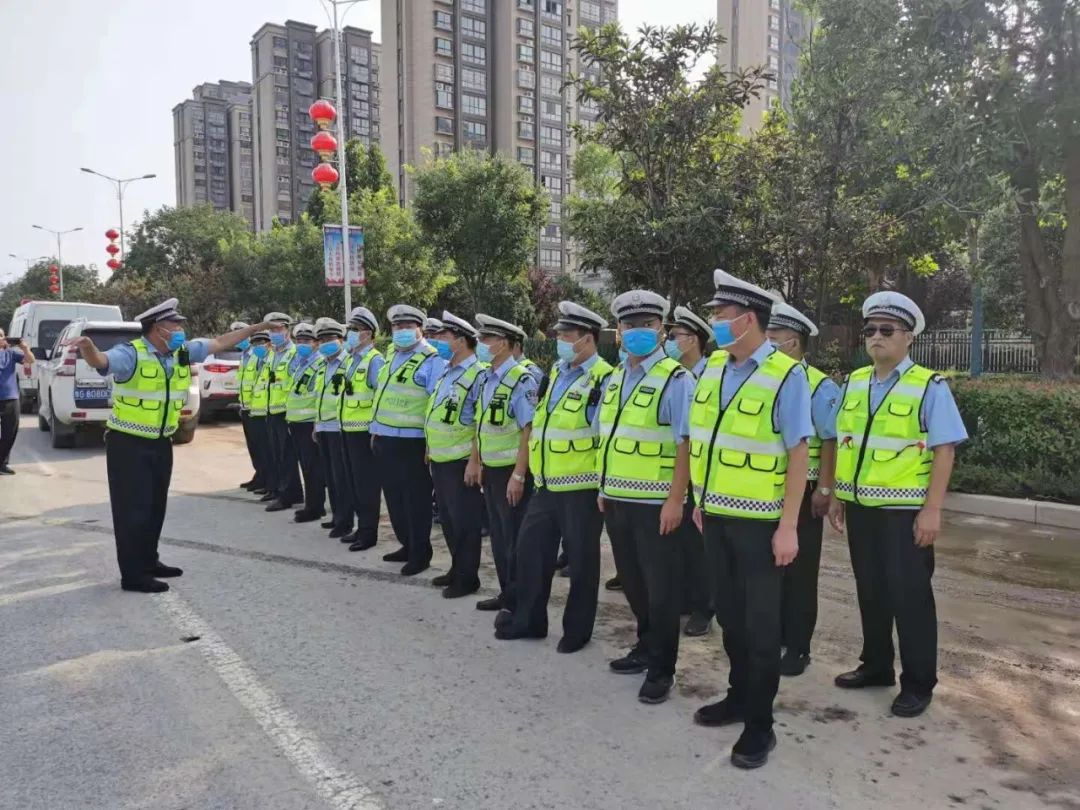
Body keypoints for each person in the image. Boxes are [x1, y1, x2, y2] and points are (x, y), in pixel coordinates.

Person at [688, 269, 812, 769]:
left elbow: (798, 452)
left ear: (749, 319)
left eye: (721, 314)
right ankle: (738, 697)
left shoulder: (787, 375)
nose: (714, 321)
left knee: (762, 628)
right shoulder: (715, 368)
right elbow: (705, 441)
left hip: (762, 525)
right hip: (714, 516)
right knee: (731, 619)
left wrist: (788, 526)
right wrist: (700, 498)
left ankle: (761, 726)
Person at [828, 291, 967, 719]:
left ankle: (918, 683)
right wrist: (835, 493)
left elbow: (945, 450)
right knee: (870, 591)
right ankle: (876, 666)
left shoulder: (928, 385)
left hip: (905, 512)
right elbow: (842, 443)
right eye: (869, 330)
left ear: (909, 338)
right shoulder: (853, 383)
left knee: (909, 598)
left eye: (887, 330)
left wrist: (932, 509)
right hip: (862, 508)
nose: (876, 337)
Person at [67, 299, 268, 592]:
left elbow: (221, 341)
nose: (180, 331)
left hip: (161, 442)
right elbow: (101, 362)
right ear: (158, 329)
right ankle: (133, 575)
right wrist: (87, 348)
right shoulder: (130, 353)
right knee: (132, 511)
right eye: (175, 326)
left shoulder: (181, 353)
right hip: (129, 444)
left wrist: (259, 327)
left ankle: (149, 561)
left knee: (154, 507)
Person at [495, 302, 612, 652]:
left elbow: (606, 437)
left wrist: (604, 487)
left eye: (566, 335)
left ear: (587, 339)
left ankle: (577, 631)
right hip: (546, 485)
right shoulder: (556, 372)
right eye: (559, 334)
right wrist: (523, 473)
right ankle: (529, 621)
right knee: (531, 552)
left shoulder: (604, 378)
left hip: (582, 486)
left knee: (582, 562)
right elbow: (540, 427)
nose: (559, 339)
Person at [597, 290, 693, 705]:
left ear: (661, 330)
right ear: (619, 332)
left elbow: (686, 444)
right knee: (632, 582)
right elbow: (609, 437)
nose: (638, 332)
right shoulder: (616, 378)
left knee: (662, 588)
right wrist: (603, 486)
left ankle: (662, 667)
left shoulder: (676, 379)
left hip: (657, 504)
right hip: (616, 497)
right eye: (630, 325)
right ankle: (644, 644)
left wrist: (676, 499)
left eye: (647, 325)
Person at [765, 302, 841, 677]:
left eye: (773, 339)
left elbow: (830, 440)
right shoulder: (765, 378)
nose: (767, 344)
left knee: (799, 573)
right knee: (770, 569)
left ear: (793, 343)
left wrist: (824, 488)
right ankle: (776, 635)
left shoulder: (819, 385)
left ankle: (798, 647)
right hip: (767, 490)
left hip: (806, 489)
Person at [370, 305, 447, 575]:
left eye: (407, 326)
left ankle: (420, 552)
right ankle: (405, 543)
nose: (401, 331)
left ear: (420, 329)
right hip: (385, 438)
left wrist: (430, 443)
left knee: (416, 500)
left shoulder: (431, 359)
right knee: (394, 498)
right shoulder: (391, 355)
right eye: (397, 327)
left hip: (413, 443)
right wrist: (376, 430)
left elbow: (435, 404)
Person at [468, 314, 538, 614]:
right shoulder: (485, 377)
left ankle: (519, 598)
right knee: (498, 537)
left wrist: (520, 475)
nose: (482, 344)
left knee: (514, 538)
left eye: (487, 340)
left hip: (512, 470)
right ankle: (506, 592)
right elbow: (480, 425)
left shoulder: (521, 379)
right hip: (492, 470)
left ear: (506, 344)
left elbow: (528, 429)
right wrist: (476, 461)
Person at [425, 311, 486, 597]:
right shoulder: (447, 370)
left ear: (461, 341)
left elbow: (479, 422)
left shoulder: (478, 374)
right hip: (440, 458)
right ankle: (456, 567)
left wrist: (475, 460)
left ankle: (468, 577)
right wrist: (429, 446)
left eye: (444, 337)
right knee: (448, 520)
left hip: (462, 461)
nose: (437, 341)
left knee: (465, 523)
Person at [664, 306, 716, 638]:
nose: (669, 342)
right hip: (679, 469)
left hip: (705, 472)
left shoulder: (711, 373)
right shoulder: (674, 374)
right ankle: (684, 597)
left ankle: (704, 608)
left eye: (674, 337)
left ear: (693, 340)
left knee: (700, 545)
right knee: (680, 540)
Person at [340, 307, 386, 552]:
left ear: (367, 334)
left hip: (365, 433)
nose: (350, 334)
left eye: (354, 330)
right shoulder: (351, 359)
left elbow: (380, 397)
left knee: (367, 486)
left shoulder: (374, 360)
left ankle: (369, 533)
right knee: (354, 483)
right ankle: (361, 527)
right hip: (348, 429)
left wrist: (376, 430)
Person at [312, 318, 354, 540]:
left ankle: (345, 521)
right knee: (330, 476)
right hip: (323, 426)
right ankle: (337, 515)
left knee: (341, 477)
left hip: (339, 427)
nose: (325, 343)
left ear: (340, 340)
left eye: (330, 339)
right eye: (322, 340)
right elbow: (319, 397)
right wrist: (316, 426)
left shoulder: (347, 363)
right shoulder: (322, 365)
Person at [284, 322, 327, 524]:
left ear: (316, 344)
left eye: (307, 341)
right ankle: (312, 504)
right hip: (296, 421)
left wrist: (316, 422)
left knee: (313, 467)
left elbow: (318, 395)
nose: (302, 344)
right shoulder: (300, 362)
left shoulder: (319, 363)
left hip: (309, 422)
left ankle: (315, 507)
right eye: (299, 340)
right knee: (306, 467)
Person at [264, 312, 304, 512]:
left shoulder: (294, 354)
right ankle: (286, 491)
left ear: (288, 330)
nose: (274, 333)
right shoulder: (273, 353)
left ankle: (288, 495)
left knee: (287, 455)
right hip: (272, 409)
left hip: (286, 413)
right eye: (271, 330)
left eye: (278, 329)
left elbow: (296, 384)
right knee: (277, 454)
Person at [231, 322, 262, 491]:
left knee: (261, 446)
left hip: (257, 408)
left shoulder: (257, 354)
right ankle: (259, 474)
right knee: (253, 446)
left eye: (241, 334)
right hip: (246, 406)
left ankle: (265, 477)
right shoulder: (244, 355)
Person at [0, 327, 33, 474]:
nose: (1, 338)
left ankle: (2, 463)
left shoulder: (11, 353)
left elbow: (30, 360)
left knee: (9, 433)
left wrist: (25, 349)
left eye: (2, 335)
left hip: (10, 397)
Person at [247, 330, 275, 497]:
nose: (258, 347)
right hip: (255, 410)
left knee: (271, 452)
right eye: (255, 344)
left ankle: (272, 484)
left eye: (261, 343)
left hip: (268, 411)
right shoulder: (254, 360)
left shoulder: (271, 360)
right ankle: (264, 479)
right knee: (260, 450)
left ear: (269, 344)